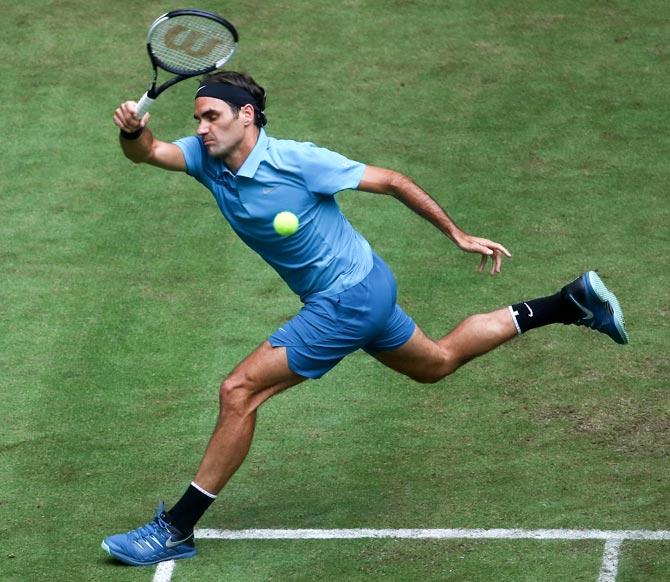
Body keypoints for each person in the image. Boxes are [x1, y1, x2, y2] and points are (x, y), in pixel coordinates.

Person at [103, 71, 628, 566]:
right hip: (366, 287)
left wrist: (457, 233)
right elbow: (148, 152)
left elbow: (393, 181)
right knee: (436, 362)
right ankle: (568, 302)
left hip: (347, 298)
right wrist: (133, 131)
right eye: (198, 118)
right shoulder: (207, 156)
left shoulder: (297, 161)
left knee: (239, 390)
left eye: (211, 116)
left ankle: (176, 529)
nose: (200, 128)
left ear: (246, 116)